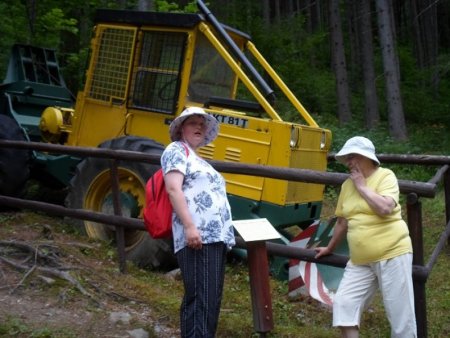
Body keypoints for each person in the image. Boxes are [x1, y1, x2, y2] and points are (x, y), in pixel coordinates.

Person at [315, 136, 417, 338]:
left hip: (392, 253)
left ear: (367, 158)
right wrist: (330, 248)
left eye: (353, 157)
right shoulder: (346, 186)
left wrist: (362, 186)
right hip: (361, 260)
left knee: (400, 317)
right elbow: (342, 222)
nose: (349, 162)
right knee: (344, 305)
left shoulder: (385, 176)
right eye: (347, 158)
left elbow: (386, 208)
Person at [161, 106, 235, 337]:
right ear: (181, 128)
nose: (199, 127)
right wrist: (191, 227)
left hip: (213, 238)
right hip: (198, 236)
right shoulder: (176, 150)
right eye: (193, 123)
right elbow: (173, 189)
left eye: (202, 125)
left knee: (210, 298)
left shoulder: (196, 157)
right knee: (201, 299)